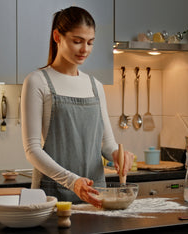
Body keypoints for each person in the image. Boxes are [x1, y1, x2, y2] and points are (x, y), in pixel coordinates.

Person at [21, 6, 134, 208]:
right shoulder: (38, 81)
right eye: (77, 41)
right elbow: (32, 150)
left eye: (90, 43)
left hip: (94, 196)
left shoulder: (95, 86)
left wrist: (118, 154)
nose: (85, 50)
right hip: (51, 197)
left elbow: (107, 144)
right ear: (57, 37)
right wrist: (72, 182)